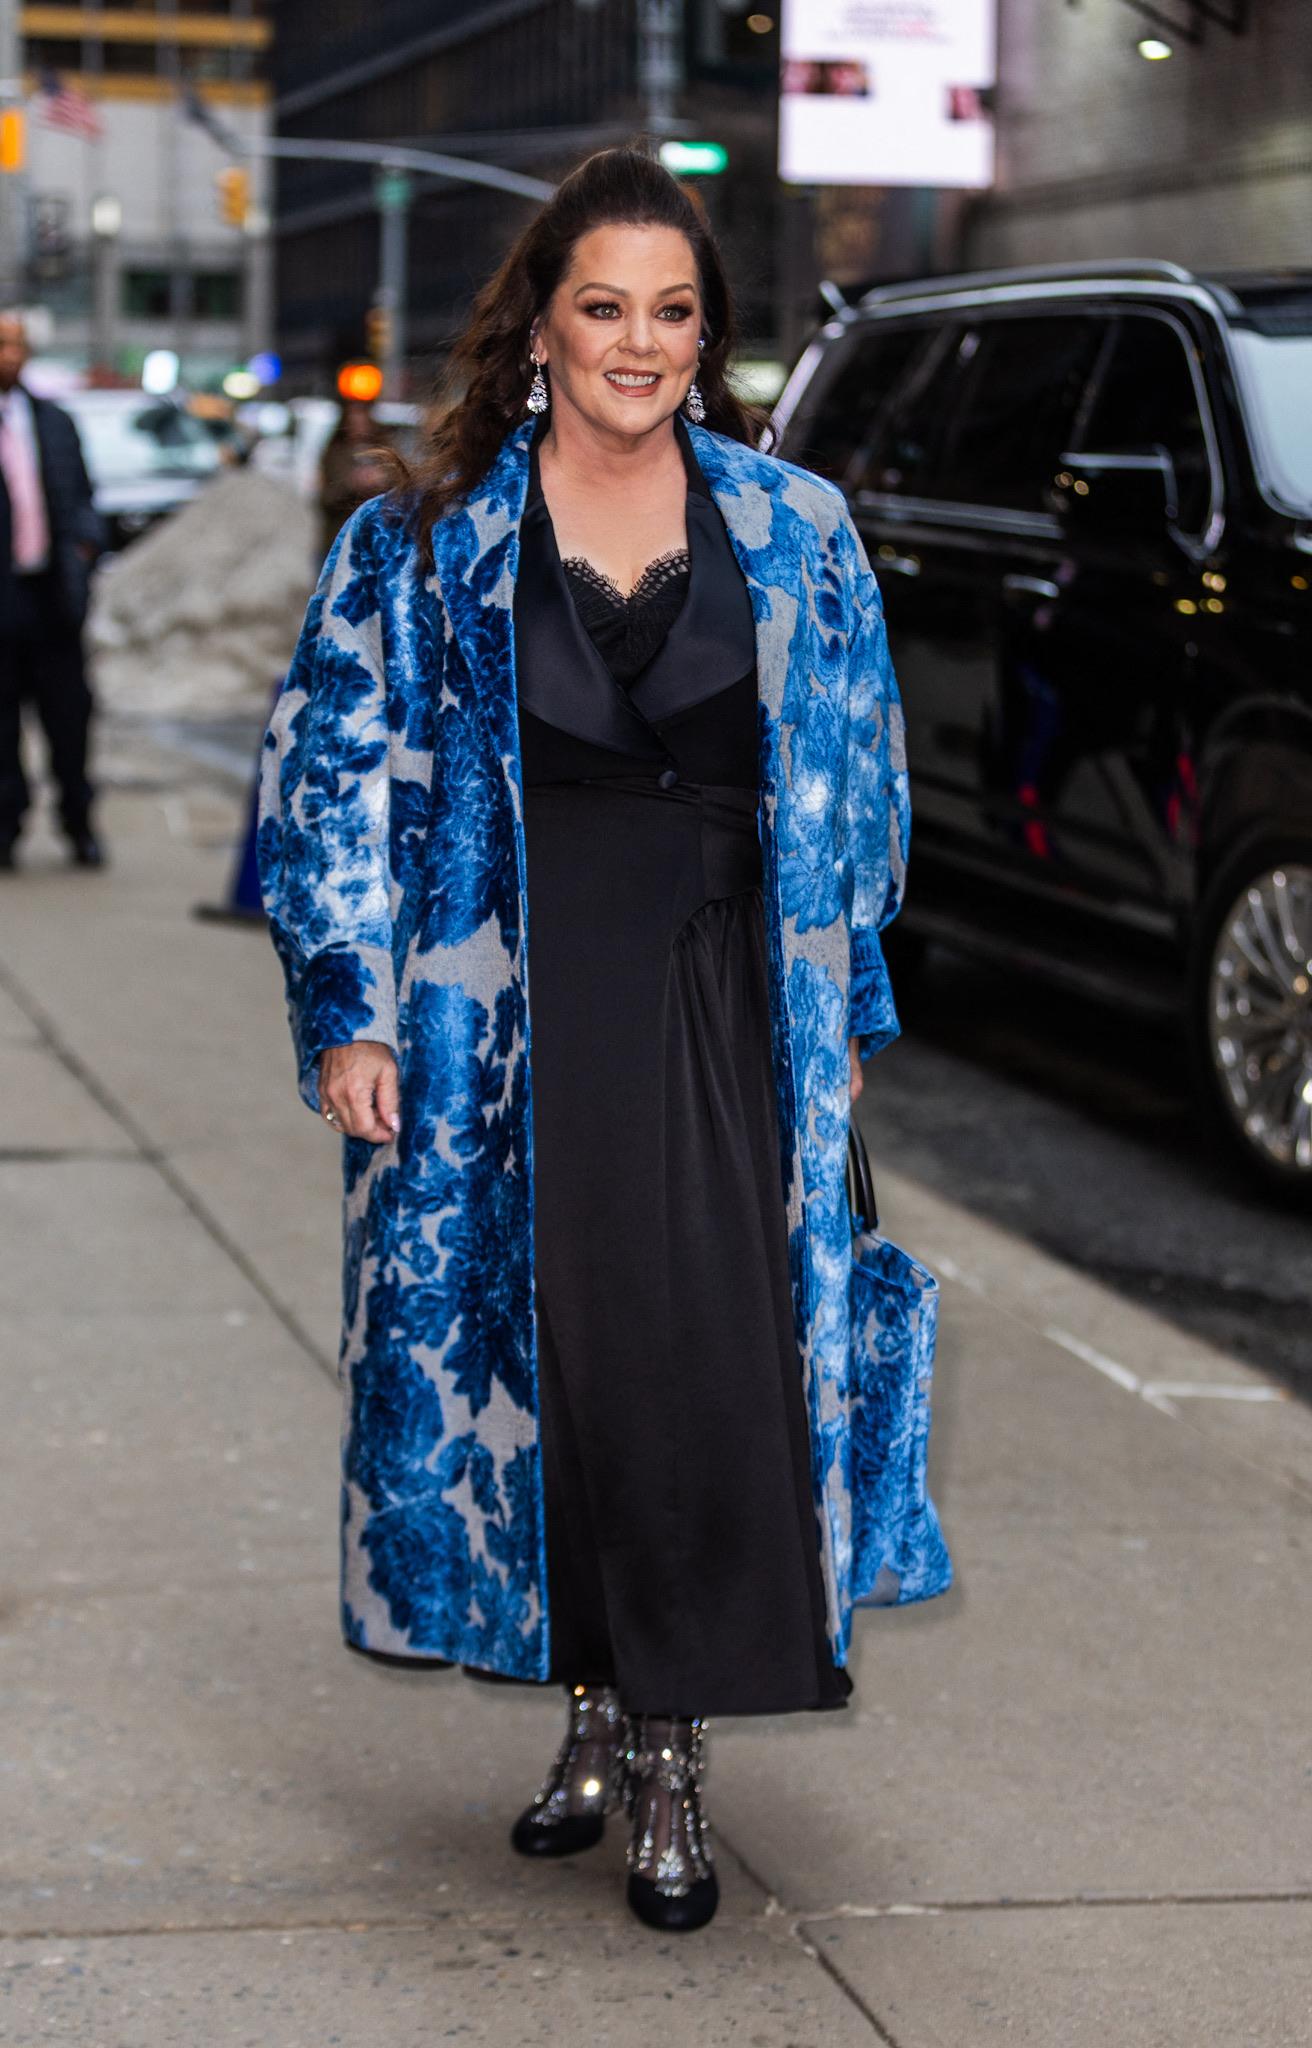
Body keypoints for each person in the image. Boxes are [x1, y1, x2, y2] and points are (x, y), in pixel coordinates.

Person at [258, 145, 950, 1938]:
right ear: (540, 328)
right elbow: (330, 784)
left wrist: (851, 1011)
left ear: (703, 333)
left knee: (704, 1377)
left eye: (670, 311)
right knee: (551, 1367)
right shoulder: (418, 546)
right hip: (505, 1014)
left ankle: (669, 1748)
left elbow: (860, 784)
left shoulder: (794, 527)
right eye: (600, 308)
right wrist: (347, 1009)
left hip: (729, 1000)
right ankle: (586, 1705)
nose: (636, 343)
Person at [0, 312, 107, 870]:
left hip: (52, 596)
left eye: (17, 343)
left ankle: (79, 823)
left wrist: (83, 549)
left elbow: (85, 498)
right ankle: (6, 828)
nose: (10, 354)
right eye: (2, 344)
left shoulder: (54, 422)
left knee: (70, 720)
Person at [317, 399, 396, 564]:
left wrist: (383, 481)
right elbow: (325, 498)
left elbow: (402, 493)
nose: (359, 428)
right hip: (341, 538)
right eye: (353, 422)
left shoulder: (386, 454)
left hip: (376, 541)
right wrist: (351, 484)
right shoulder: (334, 455)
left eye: (362, 421)